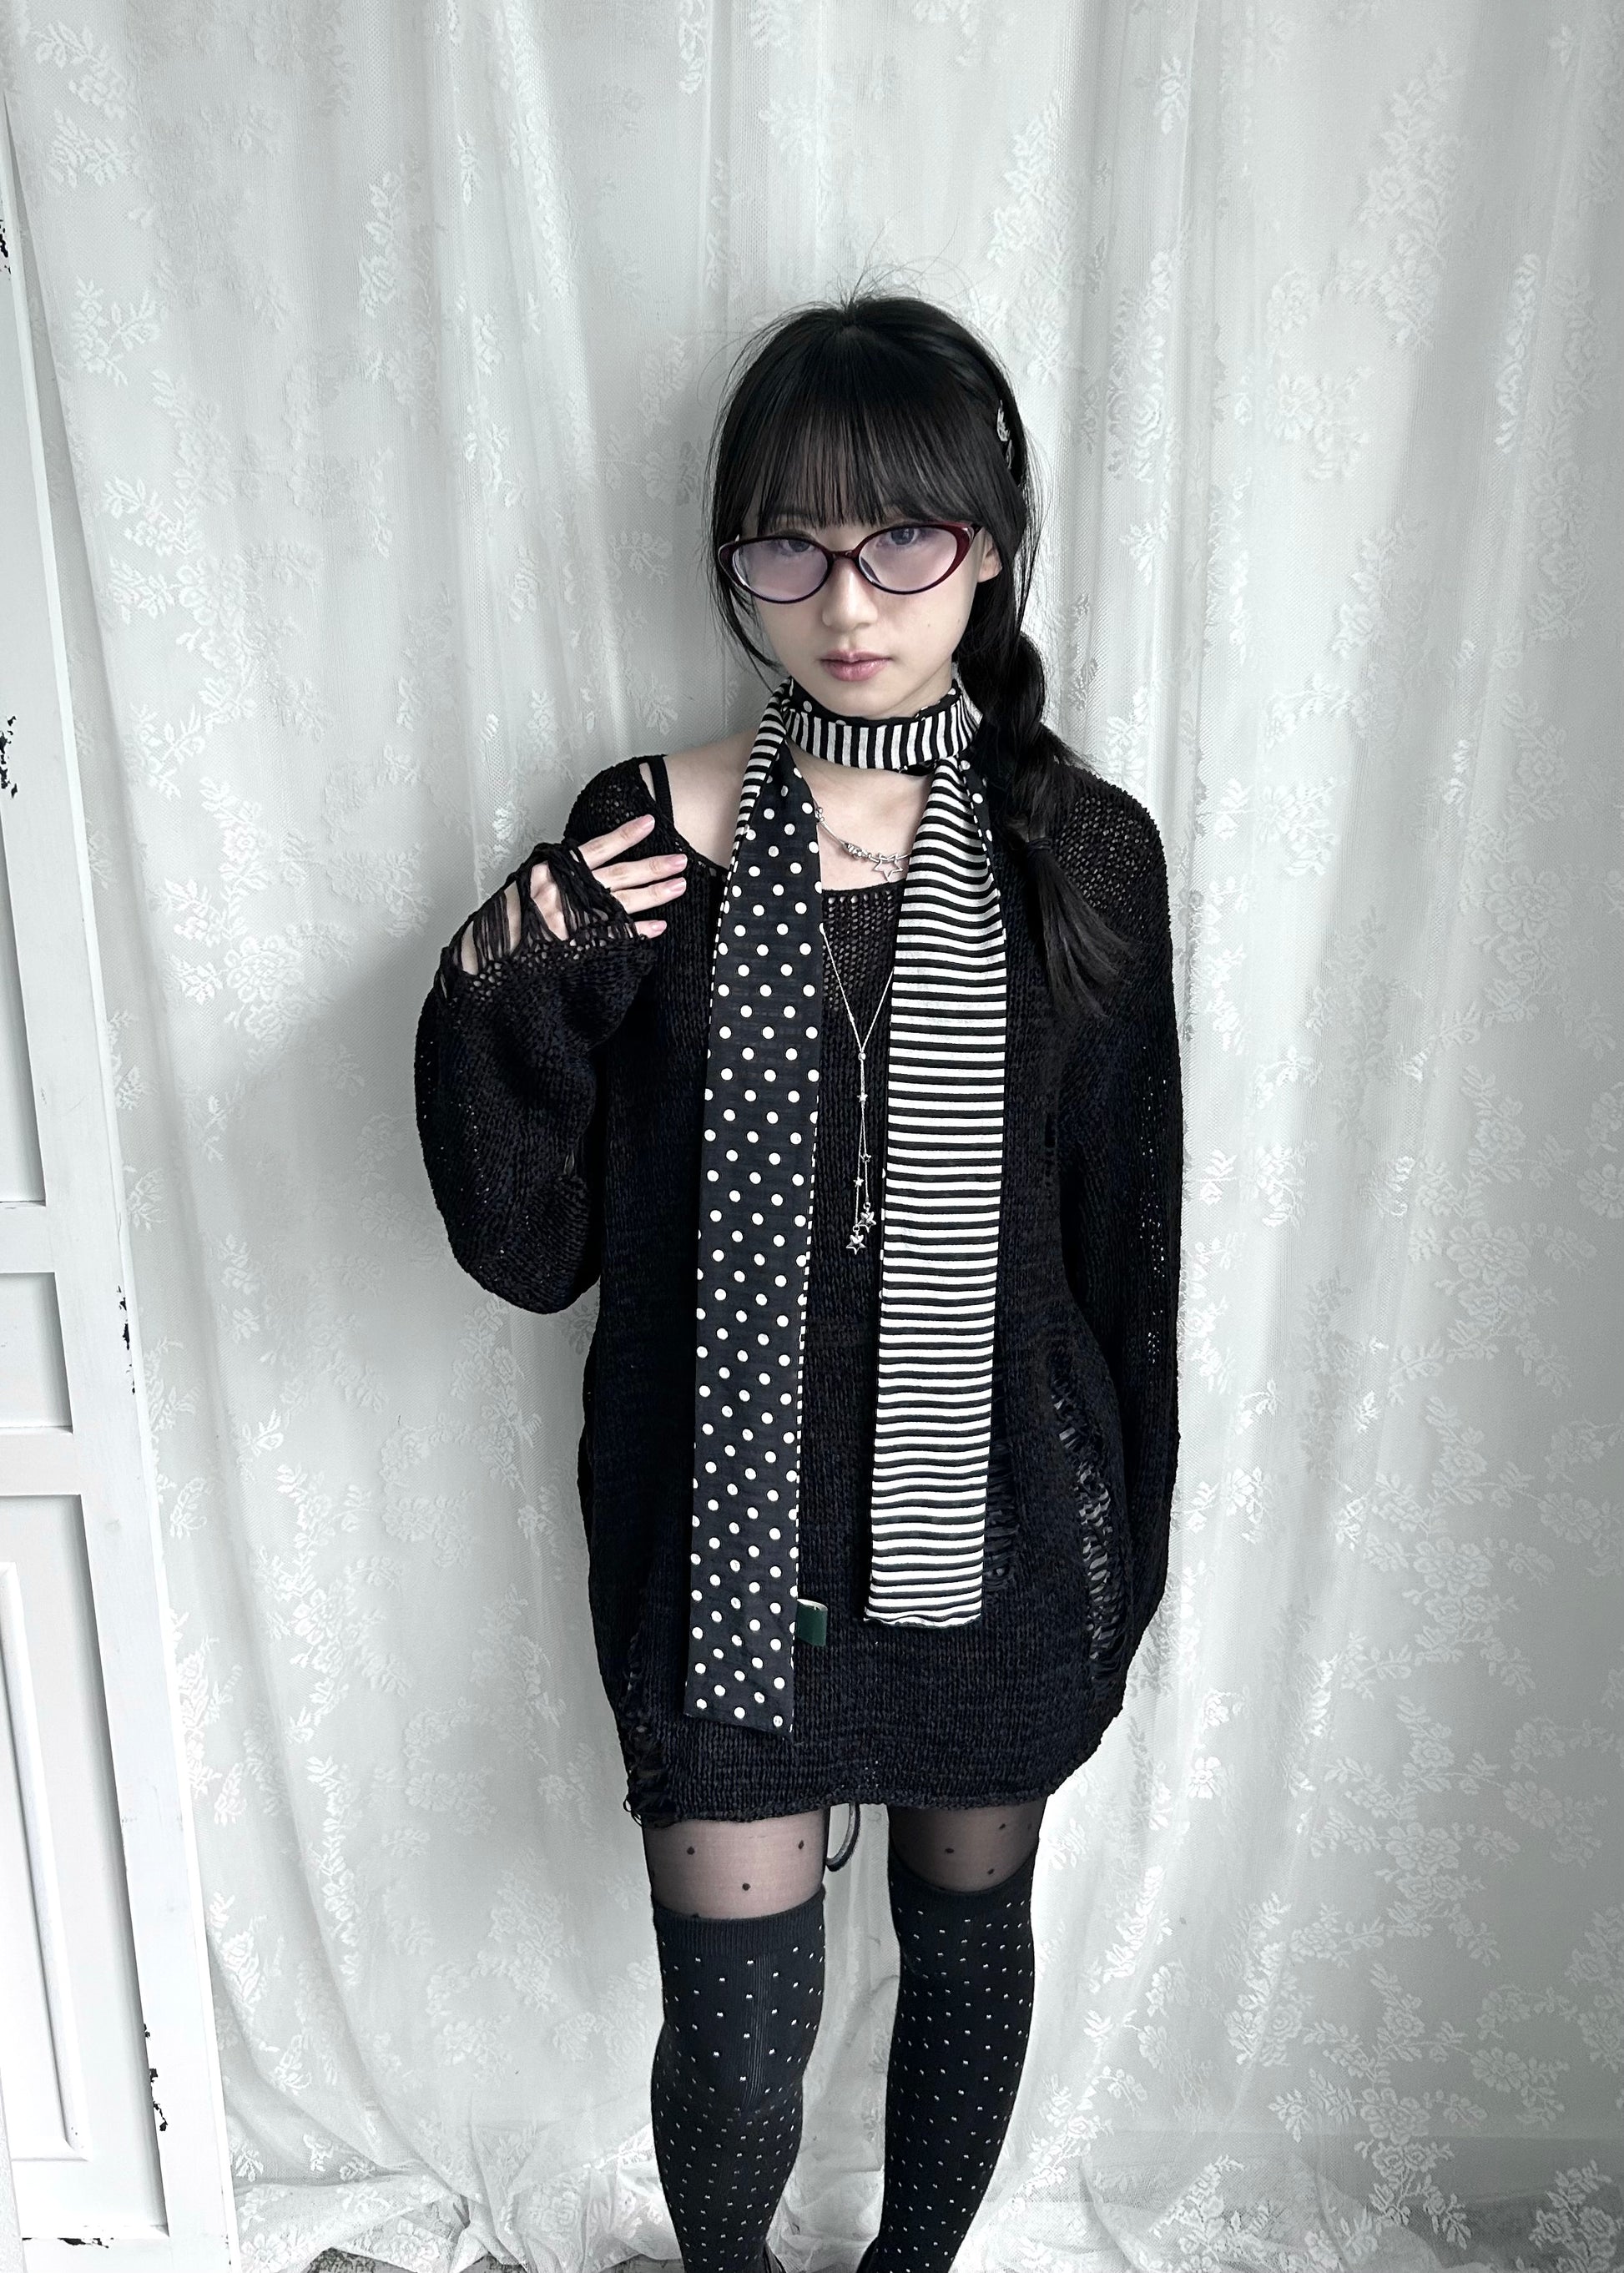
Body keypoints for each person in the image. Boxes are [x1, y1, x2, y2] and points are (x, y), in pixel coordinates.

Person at [414, 288, 1183, 2273]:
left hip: (1000, 1532)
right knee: (739, 2040)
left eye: (899, 540)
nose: (845, 602)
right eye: (789, 547)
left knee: (968, 1946)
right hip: (725, 1541)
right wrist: (507, 987)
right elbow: (532, 1248)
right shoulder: (644, 835)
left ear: (987, 548)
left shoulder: (1080, 851)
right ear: (733, 562)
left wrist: (1128, 1562)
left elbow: (1126, 1238)